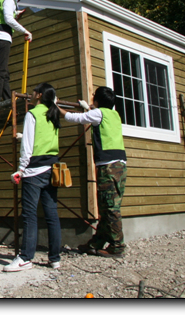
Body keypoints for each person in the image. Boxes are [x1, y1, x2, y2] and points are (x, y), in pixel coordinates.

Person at [58, 86, 127, 258]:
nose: (92, 98)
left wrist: (55, 107)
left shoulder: (98, 113)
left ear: (98, 100)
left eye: (94, 96)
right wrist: (88, 108)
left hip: (108, 167)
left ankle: (117, 246)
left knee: (110, 207)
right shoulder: (114, 114)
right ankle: (96, 243)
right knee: (106, 206)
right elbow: (96, 115)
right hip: (119, 165)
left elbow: (76, 118)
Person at [4, 83, 62, 272]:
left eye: (34, 91)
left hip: (34, 170)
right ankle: (55, 258)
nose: (31, 94)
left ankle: (26, 258)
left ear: (39, 95)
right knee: (52, 214)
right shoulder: (53, 113)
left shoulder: (33, 114)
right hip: (52, 168)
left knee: (29, 215)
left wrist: (20, 169)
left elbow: (28, 146)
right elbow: (43, 139)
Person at [0, 0, 33, 105]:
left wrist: (17, 13)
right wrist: (25, 31)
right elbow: (8, 19)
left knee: (4, 72)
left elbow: (3, 14)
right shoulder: (9, 0)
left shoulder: (0, 0)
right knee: (0, 70)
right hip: (2, 38)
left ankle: (8, 99)